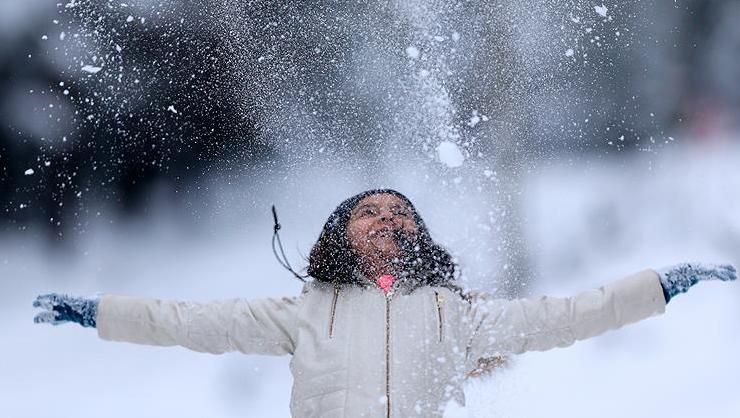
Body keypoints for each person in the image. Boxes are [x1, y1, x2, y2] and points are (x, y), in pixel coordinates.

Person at [33, 189, 736, 417]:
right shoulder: (304, 311)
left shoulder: (454, 314)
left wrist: (660, 285)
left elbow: (566, 315)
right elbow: (186, 322)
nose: (388, 219)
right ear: (339, 235)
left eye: (402, 212)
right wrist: (98, 312)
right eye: (369, 211)